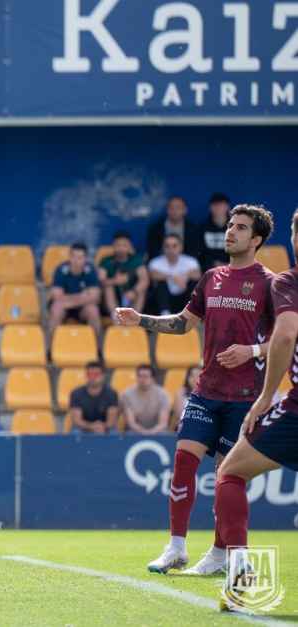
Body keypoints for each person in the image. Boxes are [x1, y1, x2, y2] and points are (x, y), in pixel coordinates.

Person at [114, 204, 275, 575]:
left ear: (257, 239)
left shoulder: (269, 283)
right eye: (230, 225)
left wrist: (251, 350)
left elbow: (287, 339)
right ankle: (176, 547)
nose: (231, 232)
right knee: (183, 462)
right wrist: (141, 320)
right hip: (206, 391)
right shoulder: (212, 278)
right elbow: (183, 324)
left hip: (245, 398)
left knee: (226, 477)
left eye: (240, 227)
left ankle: (220, 554)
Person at [214, 209, 298, 588]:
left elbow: (284, 337)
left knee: (230, 472)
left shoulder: (288, 282)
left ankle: (241, 567)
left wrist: (265, 397)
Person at [47, 243, 102, 344]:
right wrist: (83, 296)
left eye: (80, 258)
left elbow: (95, 297)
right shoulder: (61, 269)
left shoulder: (90, 270)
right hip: (64, 308)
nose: (76, 261)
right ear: (69, 257)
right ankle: (50, 348)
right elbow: (57, 297)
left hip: (80, 309)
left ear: (85, 259)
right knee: (56, 308)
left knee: (93, 310)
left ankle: (97, 349)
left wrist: (69, 301)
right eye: (74, 257)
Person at [147, 234, 202, 314]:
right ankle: (165, 315)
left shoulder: (191, 261)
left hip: (184, 297)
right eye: (167, 246)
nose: (171, 249)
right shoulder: (155, 262)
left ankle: (189, 313)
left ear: (181, 247)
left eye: (174, 246)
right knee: (160, 284)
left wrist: (185, 277)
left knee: (194, 284)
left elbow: (198, 275)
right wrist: (172, 277)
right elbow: (152, 275)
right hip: (164, 299)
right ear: (163, 248)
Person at [98, 231, 149, 315]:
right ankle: (116, 318)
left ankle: (134, 318)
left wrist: (134, 291)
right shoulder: (106, 261)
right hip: (111, 300)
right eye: (118, 245)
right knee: (108, 287)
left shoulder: (136, 260)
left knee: (141, 291)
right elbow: (100, 281)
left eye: (124, 245)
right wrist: (115, 281)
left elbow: (144, 280)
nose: (121, 248)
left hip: (131, 296)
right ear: (113, 246)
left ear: (129, 246)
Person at [67, 361, 118, 434]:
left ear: (103, 376)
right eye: (89, 375)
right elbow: (77, 420)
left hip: (105, 427)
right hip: (83, 427)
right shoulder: (76, 393)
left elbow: (111, 420)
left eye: (96, 375)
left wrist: (102, 427)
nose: (92, 378)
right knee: (75, 432)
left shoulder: (111, 394)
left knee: (114, 433)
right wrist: (92, 427)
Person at [146, 195, 201, 261]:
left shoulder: (193, 228)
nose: (174, 211)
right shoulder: (155, 228)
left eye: (178, 208)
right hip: (162, 263)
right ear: (167, 210)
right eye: (171, 208)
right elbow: (153, 252)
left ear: (185, 210)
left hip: (185, 264)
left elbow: (195, 252)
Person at [120, 365, 171, 434]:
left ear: (153, 379)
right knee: (130, 433)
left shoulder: (163, 394)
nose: (142, 379)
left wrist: (151, 432)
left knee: (164, 433)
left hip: (157, 430)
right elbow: (131, 423)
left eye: (145, 376)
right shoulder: (127, 394)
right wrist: (143, 432)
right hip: (135, 431)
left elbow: (163, 423)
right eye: (139, 376)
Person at [199, 193, 232, 270]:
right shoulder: (202, 228)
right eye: (215, 205)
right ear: (210, 207)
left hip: (232, 268)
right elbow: (199, 252)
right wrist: (213, 263)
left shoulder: (236, 228)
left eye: (221, 205)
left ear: (227, 207)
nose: (218, 208)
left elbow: (240, 250)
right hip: (208, 269)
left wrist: (229, 264)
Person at [171, 366, 202, 432]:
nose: (194, 379)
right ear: (187, 378)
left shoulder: (209, 394)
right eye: (191, 376)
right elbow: (179, 415)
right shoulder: (180, 392)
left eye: (198, 375)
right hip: (184, 426)